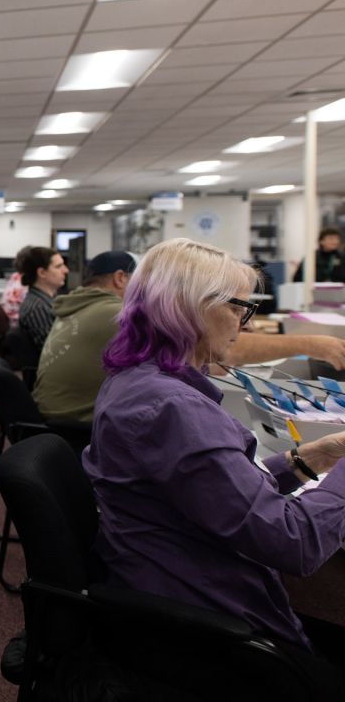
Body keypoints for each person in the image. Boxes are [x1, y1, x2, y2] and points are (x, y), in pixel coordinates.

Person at [86, 237, 345, 694]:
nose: (243, 326)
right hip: (213, 622)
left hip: (170, 587)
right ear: (190, 308)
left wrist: (312, 458)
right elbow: (295, 544)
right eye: (240, 310)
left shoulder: (138, 382)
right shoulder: (173, 407)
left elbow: (215, 490)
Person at [35, 250, 345, 421]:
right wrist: (316, 343)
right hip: (76, 427)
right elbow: (227, 352)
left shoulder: (80, 305)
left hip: (69, 421)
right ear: (121, 279)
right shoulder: (113, 314)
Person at [14, 245, 68, 352]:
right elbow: (54, 352)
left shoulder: (46, 301)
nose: (66, 270)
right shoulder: (38, 308)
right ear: (42, 273)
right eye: (58, 266)